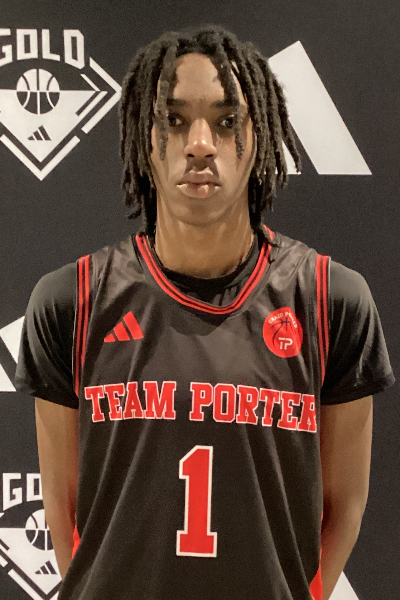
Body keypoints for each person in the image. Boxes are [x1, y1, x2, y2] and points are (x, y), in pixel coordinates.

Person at [15, 24, 394, 600]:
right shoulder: (71, 301)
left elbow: (344, 509)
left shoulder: (330, 299)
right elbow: (65, 512)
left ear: (260, 137)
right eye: (172, 120)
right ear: (143, 138)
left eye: (226, 120)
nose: (199, 144)